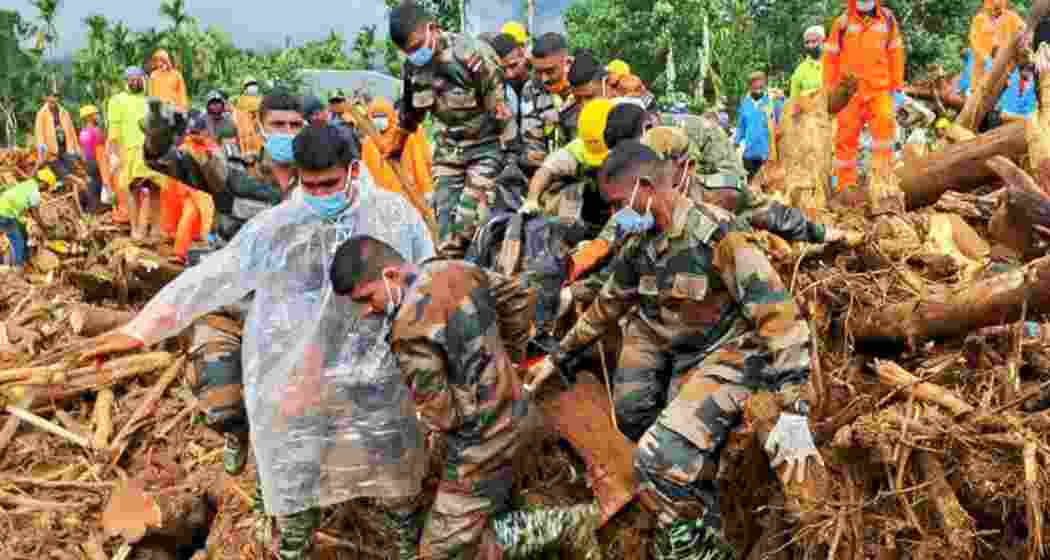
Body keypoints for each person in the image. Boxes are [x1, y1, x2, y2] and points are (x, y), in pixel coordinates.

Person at [83, 124, 433, 560]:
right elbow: (215, 276)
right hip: (299, 370)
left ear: (354, 170)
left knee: (396, 475)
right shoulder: (282, 223)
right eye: (310, 184)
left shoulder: (393, 215)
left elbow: (428, 279)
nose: (320, 193)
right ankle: (293, 549)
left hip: (373, 370)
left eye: (330, 184)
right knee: (295, 477)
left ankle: (406, 549)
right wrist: (139, 330)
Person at [529, 141, 824, 558]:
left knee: (654, 461)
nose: (615, 216)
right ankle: (705, 539)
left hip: (738, 358)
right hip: (690, 362)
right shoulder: (641, 246)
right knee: (684, 468)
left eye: (618, 204)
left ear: (645, 187)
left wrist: (796, 408)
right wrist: (555, 358)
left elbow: (780, 317)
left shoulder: (717, 234)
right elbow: (606, 307)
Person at [331, 235, 539, 559]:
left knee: (438, 551)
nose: (366, 311)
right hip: (520, 411)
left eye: (366, 298)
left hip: (485, 441)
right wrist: (508, 361)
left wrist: (420, 416)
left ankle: (564, 525)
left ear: (389, 275)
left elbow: (445, 417)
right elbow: (519, 297)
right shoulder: (455, 268)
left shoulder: (407, 332)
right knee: (494, 508)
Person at [388, 0, 511, 259]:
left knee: (466, 223)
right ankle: (451, 279)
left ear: (433, 29)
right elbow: (410, 114)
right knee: (445, 226)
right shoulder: (413, 67)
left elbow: (501, 114)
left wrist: (513, 163)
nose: (415, 54)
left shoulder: (473, 56)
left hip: (485, 149)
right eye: (408, 51)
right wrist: (395, 147)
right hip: (449, 152)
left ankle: (459, 276)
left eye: (417, 47)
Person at [824, 0, 905, 195]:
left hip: (879, 90)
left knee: (884, 138)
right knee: (845, 140)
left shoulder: (887, 19)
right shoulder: (842, 23)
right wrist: (829, 90)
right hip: (849, 93)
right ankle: (845, 187)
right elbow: (830, 58)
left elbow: (895, 53)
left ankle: (882, 185)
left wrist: (897, 87)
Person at [108, 66, 165, 236]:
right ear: (126, 81)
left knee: (155, 189)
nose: (134, 81)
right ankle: (135, 230)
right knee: (133, 191)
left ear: (143, 79)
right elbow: (114, 130)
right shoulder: (117, 100)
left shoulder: (152, 100)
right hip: (131, 152)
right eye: (130, 79)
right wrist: (113, 153)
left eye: (137, 78)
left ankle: (155, 228)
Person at [361, 96, 434, 218]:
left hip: (405, 195)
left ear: (390, 115)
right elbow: (365, 171)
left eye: (382, 116)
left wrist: (427, 189)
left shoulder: (402, 138)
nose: (378, 120)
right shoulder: (368, 142)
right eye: (375, 117)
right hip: (380, 199)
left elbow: (419, 164)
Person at [521, 32, 575, 170]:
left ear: (567, 62)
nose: (544, 79)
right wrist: (532, 156)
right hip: (546, 168)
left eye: (550, 71)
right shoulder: (532, 88)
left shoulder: (586, 83)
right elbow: (532, 140)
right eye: (539, 71)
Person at [0, 165, 54, 269]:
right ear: (43, 183)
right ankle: (17, 267)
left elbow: (23, 205)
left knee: (19, 231)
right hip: (4, 214)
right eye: (46, 187)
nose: (45, 190)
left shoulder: (28, 183)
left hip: (3, 207)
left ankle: (18, 261)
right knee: (17, 241)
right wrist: (43, 226)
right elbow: (35, 212)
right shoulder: (35, 192)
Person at [735, 71, 782, 181]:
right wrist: (735, 142)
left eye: (761, 86)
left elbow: (781, 123)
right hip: (749, 154)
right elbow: (741, 127)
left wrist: (782, 98)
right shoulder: (745, 103)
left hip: (768, 155)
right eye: (756, 87)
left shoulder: (773, 102)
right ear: (750, 87)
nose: (759, 89)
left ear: (765, 85)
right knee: (752, 186)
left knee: (768, 186)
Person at [969, 0, 1024, 90]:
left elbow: (1024, 33)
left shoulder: (1012, 17)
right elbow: (975, 43)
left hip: (1007, 72)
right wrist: (986, 59)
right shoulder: (979, 20)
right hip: (982, 75)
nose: (996, 2)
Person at [34, 92, 81, 185]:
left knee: (72, 168)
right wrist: (42, 152)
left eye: (55, 96)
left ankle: (69, 186)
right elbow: (39, 133)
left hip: (66, 148)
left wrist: (77, 148)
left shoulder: (64, 112)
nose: (53, 99)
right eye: (51, 96)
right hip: (51, 151)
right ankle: (68, 183)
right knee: (62, 172)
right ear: (46, 98)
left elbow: (71, 130)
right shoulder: (42, 113)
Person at [78, 105, 104, 212]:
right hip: (97, 160)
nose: (97, 116)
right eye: (95, 114)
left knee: (91, 184)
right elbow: (101, 145)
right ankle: (97, 208)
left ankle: (91, 208)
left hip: (87, 161)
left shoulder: (83, 132)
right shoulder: (96, 131)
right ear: (89, 117)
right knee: (99, 183)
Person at [233, 77, 265, 163]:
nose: (252, 87)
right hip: (245, 137)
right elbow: (236, 120)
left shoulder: (262, 100)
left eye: (254, 84)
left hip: (260, 136)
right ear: (245, 88)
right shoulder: (240, 102)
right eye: (249, 85)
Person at [790, 26, 825, 100]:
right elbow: (794, 100)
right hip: (810, 110)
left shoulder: (834, 63)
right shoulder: (800, 70)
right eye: (807, 42)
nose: (810, 46)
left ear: (823, 41)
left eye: (814, 41)